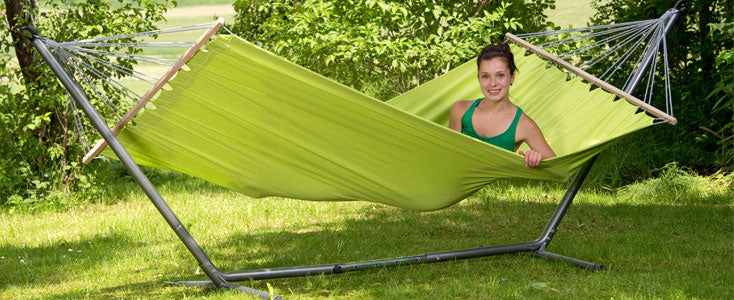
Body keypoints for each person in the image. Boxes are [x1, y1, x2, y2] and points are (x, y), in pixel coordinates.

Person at [449, 43, 555, 168]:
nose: (493, 83)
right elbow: (448, 155)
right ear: (478, 79)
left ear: (512, 77)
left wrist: (536, 159)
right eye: (485, 76)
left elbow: (558, 169)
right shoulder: (460, 110)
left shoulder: (524, 125)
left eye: (500, 75)